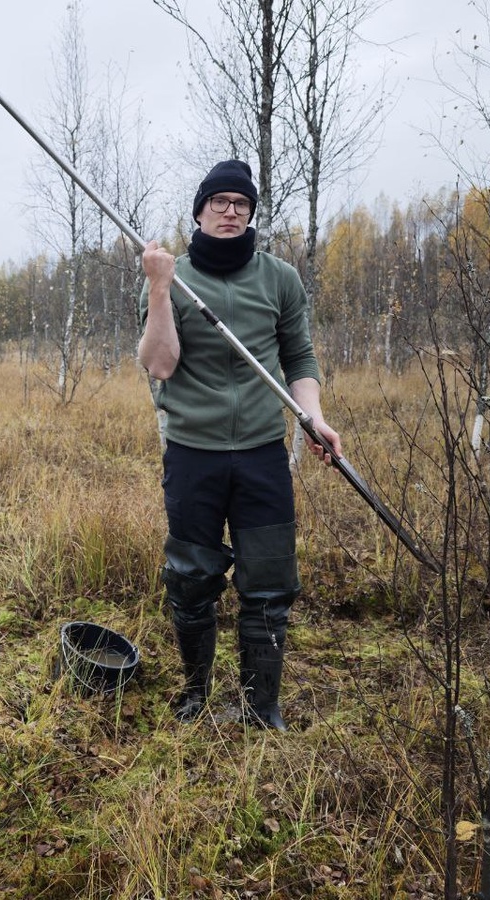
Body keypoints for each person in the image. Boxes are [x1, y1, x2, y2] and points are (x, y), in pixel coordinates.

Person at [137, 159, 341, 729]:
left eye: (241, 204)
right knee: (192, 578)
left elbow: (299, 358)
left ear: (251, 213)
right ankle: (196, 693)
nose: (231, 212)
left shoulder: (279, 279)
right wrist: (158, 286)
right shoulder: (170, 275)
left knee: (270, 582)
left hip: (261, 454)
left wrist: (313, 416)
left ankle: (261, 706)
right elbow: (161, 363)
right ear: (199, 211)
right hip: (193, 454)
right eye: (220, 202)